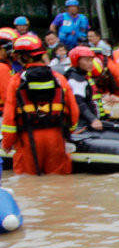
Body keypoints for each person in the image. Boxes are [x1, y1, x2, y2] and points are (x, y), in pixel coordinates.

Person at [2, 34, 79, 175]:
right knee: (58, 184)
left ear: (24, 57)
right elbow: (74, 112)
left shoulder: (16, 81)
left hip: (27, 140)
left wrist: (7, 143)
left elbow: (9, 118)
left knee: (27, 185)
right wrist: (68, 132)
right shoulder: (59, 78)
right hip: (55, 138)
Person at [64, 45, 104, 131]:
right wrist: (93, 119)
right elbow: (79, 102)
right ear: (76, 61)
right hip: (80, 125)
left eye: (91, 60)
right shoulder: (76, 79)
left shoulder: (79, 75)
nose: (90, 63)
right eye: (86, 60)